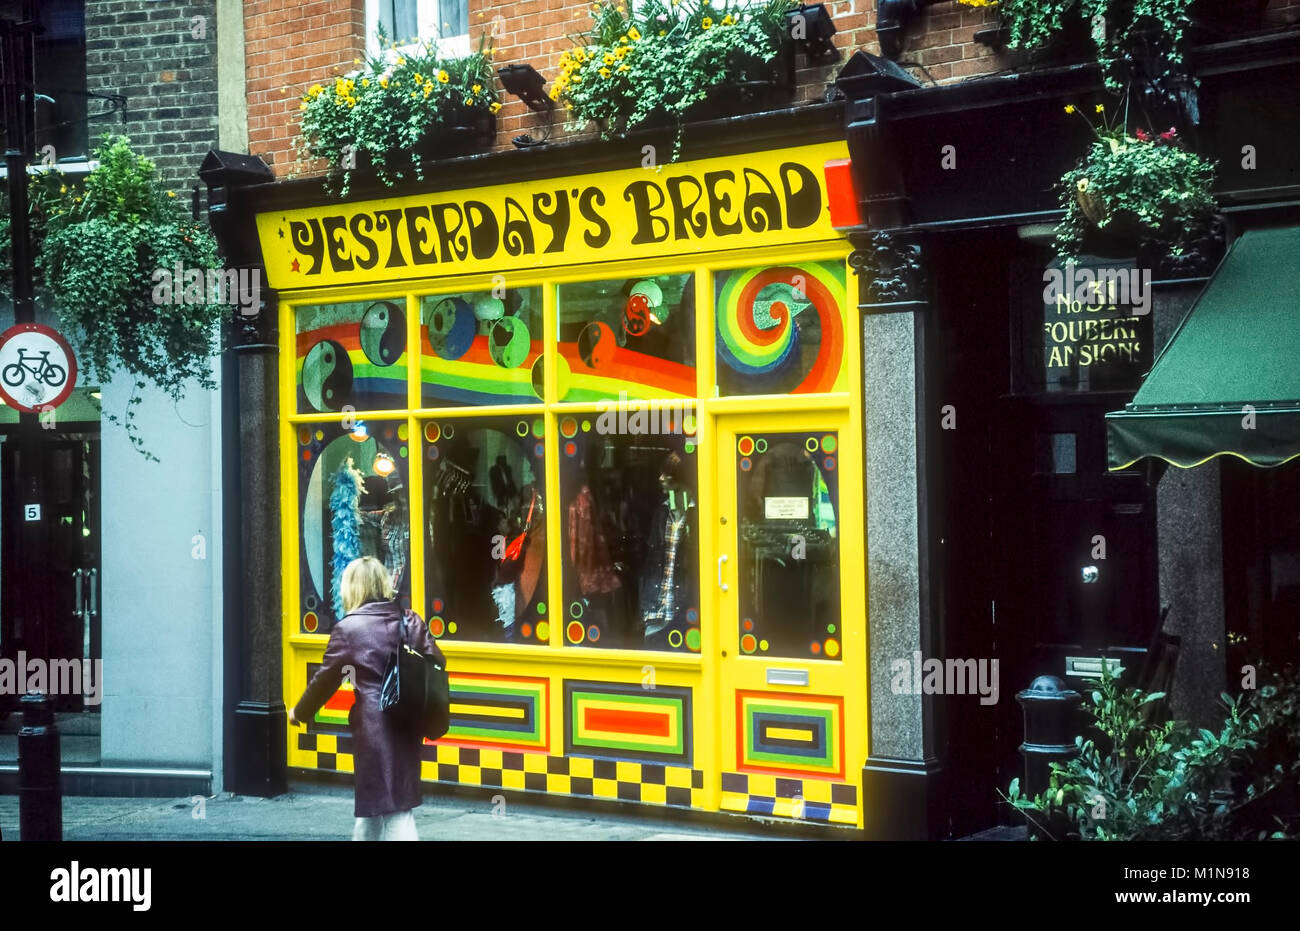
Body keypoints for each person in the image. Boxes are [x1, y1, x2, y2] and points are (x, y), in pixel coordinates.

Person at [289, 555, 443, 841]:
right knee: (383, 805)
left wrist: (299, 712)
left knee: (393, 809)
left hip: (374, 728)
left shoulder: (349, 630)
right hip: (408, 721)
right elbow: (437, 661)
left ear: (352, 588)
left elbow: (325, 681)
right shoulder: (409, 619)